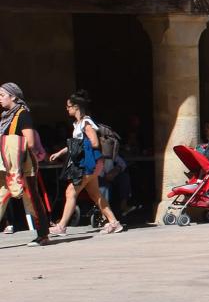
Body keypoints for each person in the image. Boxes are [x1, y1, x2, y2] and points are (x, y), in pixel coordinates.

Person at [47, 90, 123, 235]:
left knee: (70, 191)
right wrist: (60, 153)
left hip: (90, 163)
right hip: (90, 163)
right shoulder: (78, 124)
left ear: (76, 107)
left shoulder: (86, 122)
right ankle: (114, 223)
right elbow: (77, 142)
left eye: (68, 106)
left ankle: (61, 226)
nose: (67, 109)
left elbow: (94, 142)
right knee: (95, 195)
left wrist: (76, 147)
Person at [0, 82, 51, 246]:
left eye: (2, 95)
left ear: (13, 97)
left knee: (32, 200)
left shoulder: (22, 115)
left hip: (24, 166)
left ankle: (43, 234)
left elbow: (29, 142)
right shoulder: (5, 117)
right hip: (8, 167)